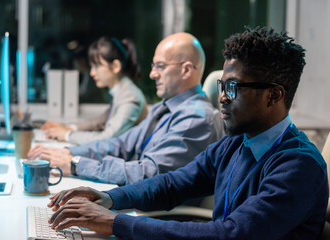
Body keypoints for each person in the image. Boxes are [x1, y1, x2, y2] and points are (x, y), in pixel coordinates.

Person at [45, 27, 329, 239]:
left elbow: (231, 234)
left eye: (233, 88)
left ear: (273, 96)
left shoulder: (298, 165)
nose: (222, 98)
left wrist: (114, 223)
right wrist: (108, 198)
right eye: (222, 86)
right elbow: (173, 184)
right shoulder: (235, 143)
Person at [28, 32, 224, 185]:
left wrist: (76, 163)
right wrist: (68, 152)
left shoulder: (195, 119)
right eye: (153, 66)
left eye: (160, 66)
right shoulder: (163, 109)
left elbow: (148, 173)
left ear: (186, 70)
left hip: (157, 216)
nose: (152, 74)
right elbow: (120, 144)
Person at [42, 36, 148, 145]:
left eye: (97, 66)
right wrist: (68, 128)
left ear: (116, 66)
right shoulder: (122, 91)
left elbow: (107, 138)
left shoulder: (130, 95)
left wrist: (67, 135)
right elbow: (100, 122)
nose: (92, 72)